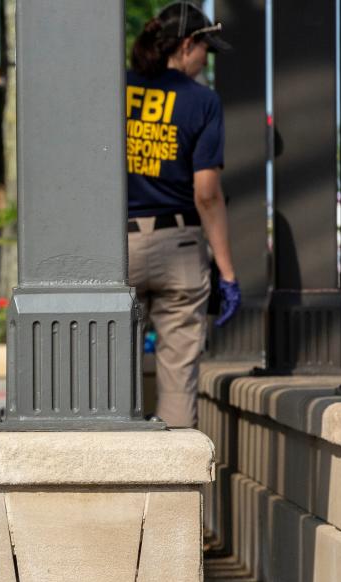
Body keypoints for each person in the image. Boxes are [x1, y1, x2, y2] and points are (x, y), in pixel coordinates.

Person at [127, 2, 240, 428]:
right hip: (179, 245)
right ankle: (172, 488)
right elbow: (207, 195)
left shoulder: (115, 89)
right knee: (179, 381)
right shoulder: (202, 102)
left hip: (117, 248)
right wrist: (227, 274)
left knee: (117, 378)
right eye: (205, 52)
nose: (205, 63)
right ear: (188, 44)